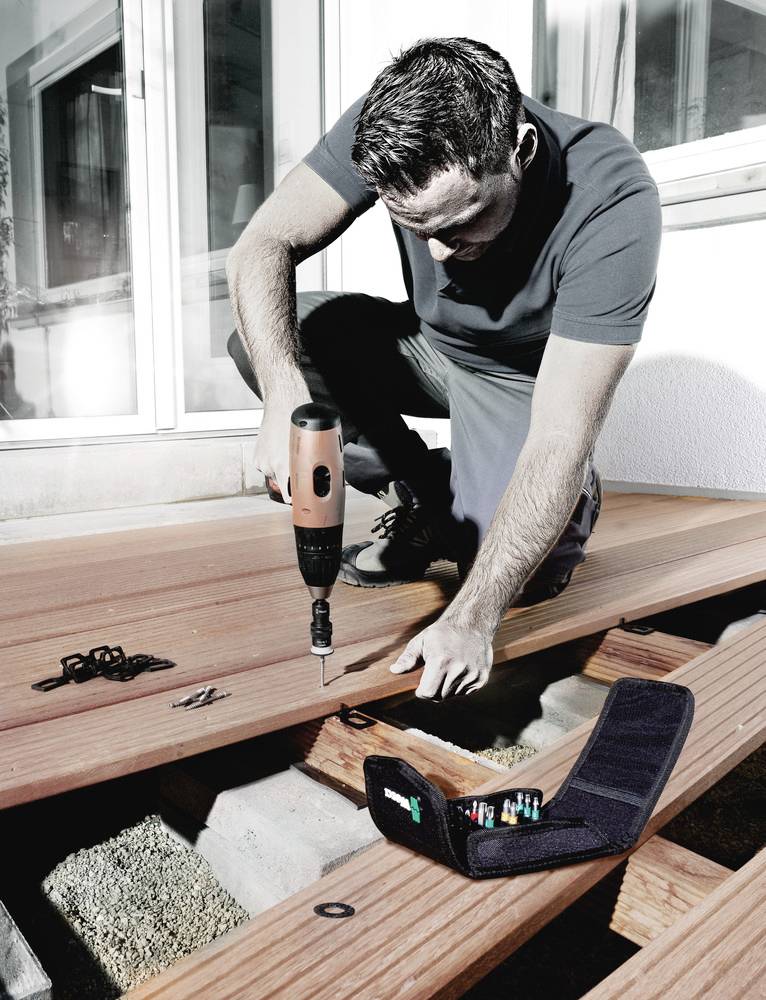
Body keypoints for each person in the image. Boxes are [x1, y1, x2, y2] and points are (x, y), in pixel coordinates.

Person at [226, 37, 662, 701]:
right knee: (266, 341)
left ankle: (575, 497)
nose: (436, 253)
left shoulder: (610, 197)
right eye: (415, 227)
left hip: (526, 381)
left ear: (520, 150)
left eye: (460, 223)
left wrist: (470, 618)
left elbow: (558, 436)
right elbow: (262, 243)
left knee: (521, 576)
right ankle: (430, 494)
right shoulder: (393, 122)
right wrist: (282, 392)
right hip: (429, 347)